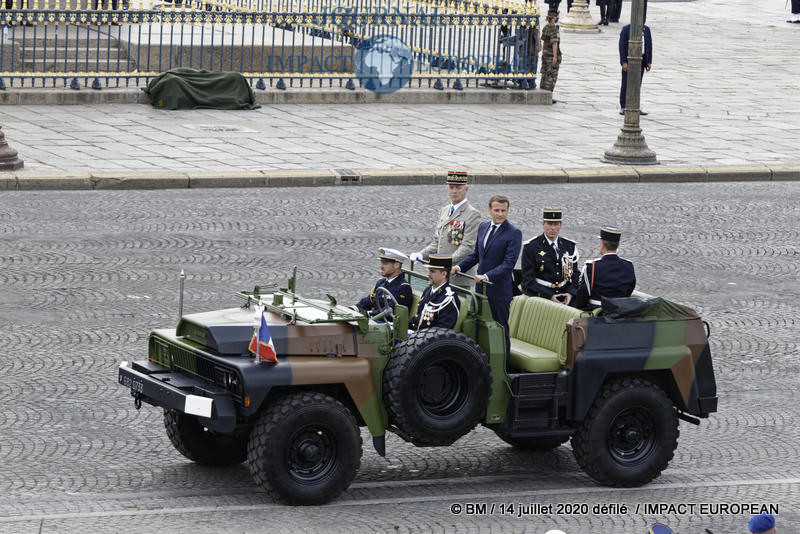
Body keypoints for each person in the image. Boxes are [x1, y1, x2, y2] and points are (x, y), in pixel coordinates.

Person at [453, 195, 522, 354]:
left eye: (503, 211)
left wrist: (487, 276)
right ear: (489, 210)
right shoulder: (483, 227)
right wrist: (459, 267)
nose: (500, 214)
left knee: (500, 330)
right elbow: (476, 255)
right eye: (496, 210)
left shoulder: (514, 233)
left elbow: (508, 264)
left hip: (499, 292)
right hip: (480, 290)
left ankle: (503, 368)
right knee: (479, 327)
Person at [410, 171, 481, 288]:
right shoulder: (444, 211)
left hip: (457, 277)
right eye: (451, 187)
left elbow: (467, 247)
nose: (454, 191)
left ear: (466, 189)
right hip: (439, 276)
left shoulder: (472, 214)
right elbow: (437, 242)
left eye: (458, 187)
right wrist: (421, 255)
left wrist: (443, 263)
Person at [520, 209, 580, 305]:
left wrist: (570, 293)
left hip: (564, 295)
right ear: (543, 224)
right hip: (541, 295)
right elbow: (528, 279)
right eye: (549, 224)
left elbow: (575, 274)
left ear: (560, 225)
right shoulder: (531, 247)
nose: (552, 228)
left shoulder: (569, 246)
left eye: (556, 224)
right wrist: (549, 295)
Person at [574, 226, 636, 311]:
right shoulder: (629, 266)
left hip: (596, 313)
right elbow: (629, 290)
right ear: (618, 245)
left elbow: (582, 294)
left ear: (602, 244)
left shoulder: (592, 267)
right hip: (619, 312)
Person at [355, 247, 413, 316]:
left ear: (396, 265)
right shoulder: (381, 282)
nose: (381, 266)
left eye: (385, 263)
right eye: (381, 263)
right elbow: (367, 301)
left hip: (386, 324)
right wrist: (353, 309)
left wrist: (367, 314)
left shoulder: (403, 288)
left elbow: (389, 311)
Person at [409, 254, 461, 330]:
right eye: (429, 270)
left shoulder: (449, 298)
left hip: (428, 339)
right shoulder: (428, 290)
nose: (428, 274)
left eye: (432, 271)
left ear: (444, 274)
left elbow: (442, 331)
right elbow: (419, 317)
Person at [619, 17, 653, 115]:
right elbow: (622, 46)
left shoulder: (646, 30)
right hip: (629, 59)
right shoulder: (626, 29)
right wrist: (623, 62)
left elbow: (649, 46)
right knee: (626, 83)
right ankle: (624, 106)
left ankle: (635, 105)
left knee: (638, 84)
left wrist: (649, 61)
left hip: (641, 60)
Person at [539, 8, 562, 100]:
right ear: (555, 17)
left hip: (546, 54)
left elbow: (544, 42)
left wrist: (544, 53)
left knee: (544, 74)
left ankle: (542, 94)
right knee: (551, 75)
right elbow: (554, 43)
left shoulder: (546, 27)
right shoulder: (554, 28)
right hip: (551, 55)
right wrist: (555, 56)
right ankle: (547, 96)